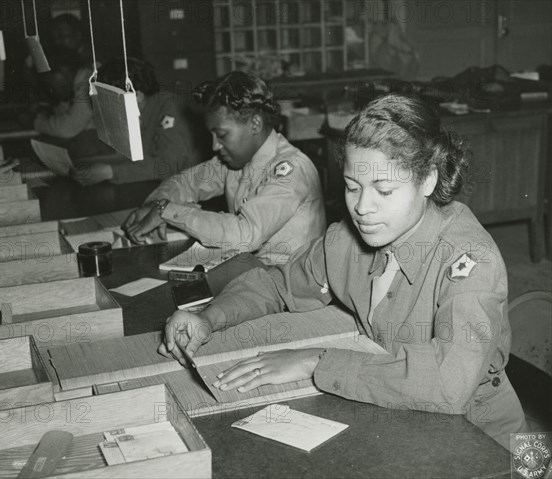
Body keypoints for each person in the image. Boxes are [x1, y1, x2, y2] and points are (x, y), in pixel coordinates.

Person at [158, 94, 527, 449]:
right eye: (352, 187)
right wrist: (208, 316)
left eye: (383, 190)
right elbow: (277, 284)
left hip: (491, 439)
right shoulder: (347, 240)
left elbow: (449, 384)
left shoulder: (470, 259)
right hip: (404, 415)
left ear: (428, 180)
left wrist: (316, 361)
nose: (362, 208)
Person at [122, 70, 326, 265]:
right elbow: (186, 182)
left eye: (221, 135)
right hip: (253, 273)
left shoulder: (291, 170)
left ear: (255, 124)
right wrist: (156, 205)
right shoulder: (235, 161)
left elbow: (245, 235)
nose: (214, 146)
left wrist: (169, 211)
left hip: (293, 288)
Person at [71, 57, 210, 185]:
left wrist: (110, 172)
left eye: (110, 101)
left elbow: (168, 165)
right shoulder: (139, 111)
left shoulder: (169, 108)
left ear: (136, 96)